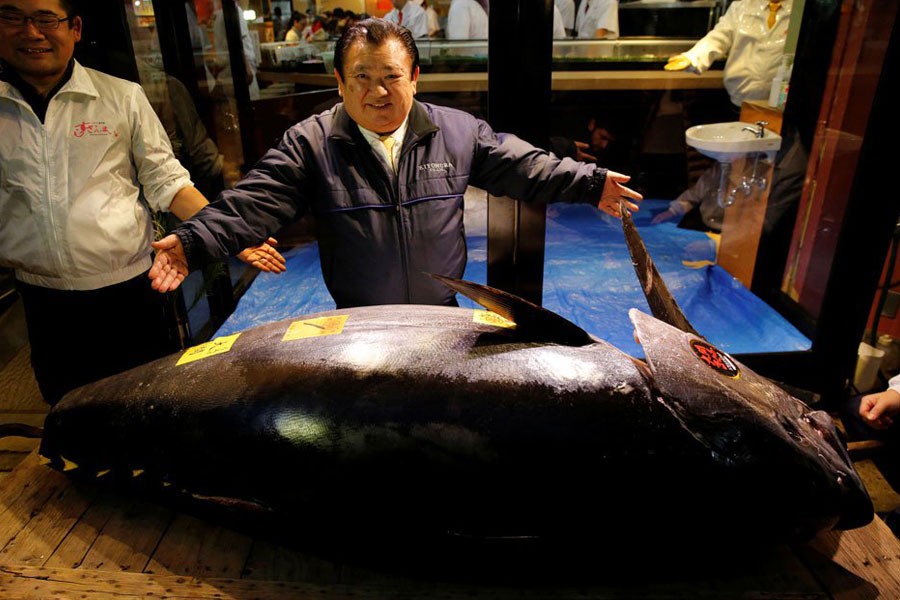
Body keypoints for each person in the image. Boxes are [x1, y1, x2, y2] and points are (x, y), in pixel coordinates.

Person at [149, 18, 642, 309]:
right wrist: (192, 241)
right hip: (359, 321)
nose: (377, 91)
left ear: (415, 78)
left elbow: (526, 165)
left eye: (391, 75)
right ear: (339, 83)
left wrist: (591, 183)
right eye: (361, 77)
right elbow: (252, 202)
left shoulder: (457, 131)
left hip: (441, 316)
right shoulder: (311, 143)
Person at [0, 0, 285, 405]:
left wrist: (230, 233)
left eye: (46, 19)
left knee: (147, 401)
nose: (31, 32)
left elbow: (169, 184)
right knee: (68, 406)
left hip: (131, 290)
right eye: (13, 18)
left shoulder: (121, 97)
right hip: (44, 299)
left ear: (75, 28)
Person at [663, 0, 794, 110]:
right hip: (740, 98)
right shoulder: (741, 6)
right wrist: (692, 57)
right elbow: (719, 36)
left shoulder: (802, 10)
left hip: (782, 102)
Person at [213, 0, 260, 100]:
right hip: (240, 69)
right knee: (251, 102)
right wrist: (247, 68)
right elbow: (239, 42)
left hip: (227, 70)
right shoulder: (235, 11)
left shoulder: (218, 16)